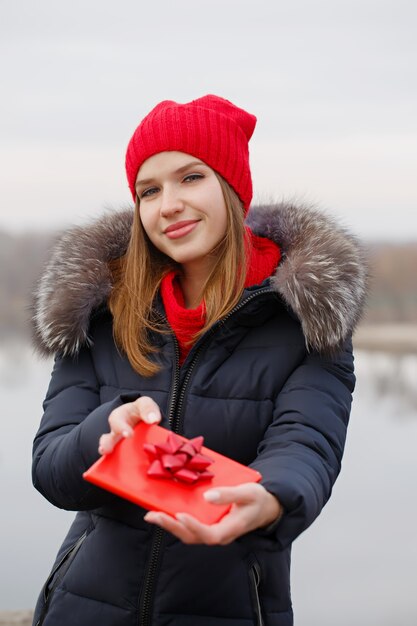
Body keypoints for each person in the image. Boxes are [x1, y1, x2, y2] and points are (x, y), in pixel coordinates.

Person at [31, 94, 367, 626]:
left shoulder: (306, 322)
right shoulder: (101, 313)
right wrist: (104, 433)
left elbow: (306, 445)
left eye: (191, 178)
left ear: (232, 187)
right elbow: (51, 471)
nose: (168, 205)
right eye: (149, 189)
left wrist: (269, 499)